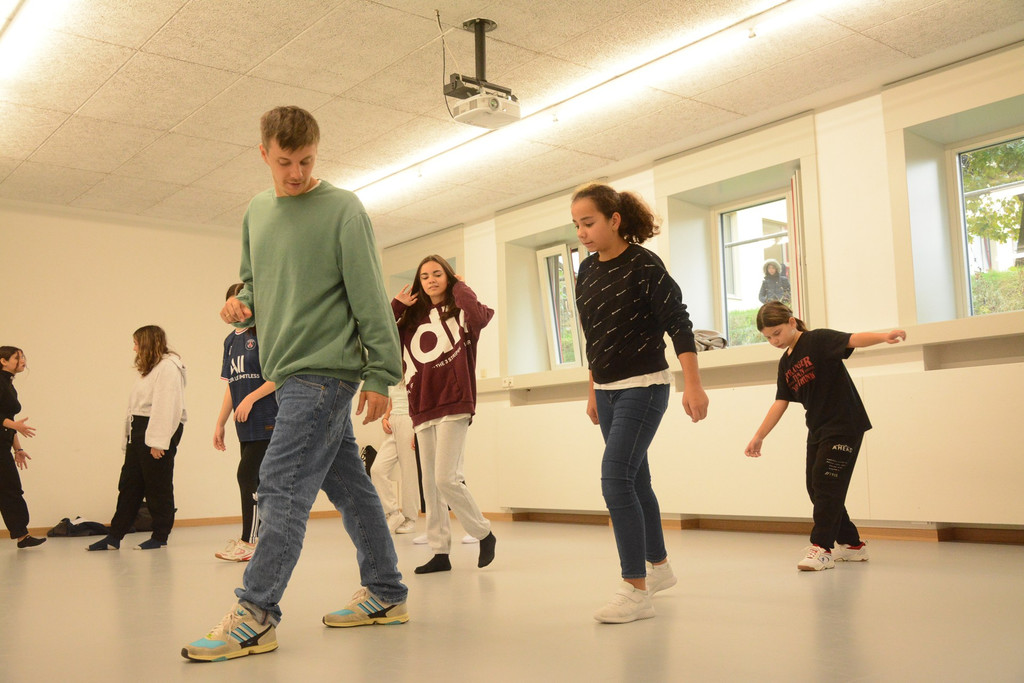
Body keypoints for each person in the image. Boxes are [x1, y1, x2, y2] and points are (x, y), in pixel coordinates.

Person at [183, 106, 407, 663]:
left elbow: (369, 293)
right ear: (263, 153)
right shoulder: (257, 211)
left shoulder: (343, 209)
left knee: (279, 486)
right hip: (284, 373)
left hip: (326, 371)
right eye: (285, 162)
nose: (297, 173)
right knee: (351, 488)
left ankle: (256, 614)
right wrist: (241, 305)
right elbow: (254, 283)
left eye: (306, 161)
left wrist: (382, 371)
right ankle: (386, 591)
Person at [572, 182, 709, 624]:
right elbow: (594, 336)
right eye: (576, 225)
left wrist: (693, 385)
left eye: (588, 223)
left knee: (615, 480)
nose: (582, 233)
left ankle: (635, 590)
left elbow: (679, 324)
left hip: (644, 387)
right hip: (607, 390)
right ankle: (660, 567)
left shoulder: (644, 265)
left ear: (615, 220)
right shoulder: (586, 271)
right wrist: (593, 389)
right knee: (636, 480)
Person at [744, 301, 906, 571]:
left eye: (777, 333)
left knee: (826, 484)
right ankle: (853, 545)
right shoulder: (785, 363)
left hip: (844, 424)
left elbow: (853, 339)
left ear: (792, 322)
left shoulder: (817, 340)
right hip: (818, 428)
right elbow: (781, 401)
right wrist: (759, 435)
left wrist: (884, 336)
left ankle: (821, 548)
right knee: (815, 487)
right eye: (768, 337)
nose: (774, 341)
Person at [393, 255, 496, 574]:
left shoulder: (462, 310)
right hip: (423, 404)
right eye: (424, 276)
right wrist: (396, 306)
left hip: (455, 401)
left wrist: (460, 286)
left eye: (437, 274)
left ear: (448, 277)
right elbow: (382, 338)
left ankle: (483, 532)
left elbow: (479, 318)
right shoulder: (412, 319)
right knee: (430, 484)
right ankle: (440, 551)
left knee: (446, 478)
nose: (431, 280)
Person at [87, 326, 187, 552]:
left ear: (147, 343)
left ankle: (160, 536)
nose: (134, 348)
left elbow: (167, 405)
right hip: (141, 429)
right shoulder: (151, 369)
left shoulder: (169, 367)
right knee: (129, 485)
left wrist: (158, 442)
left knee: (157, 486)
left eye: (136, 343)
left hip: (157, 430)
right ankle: (114, 536)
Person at [213, 283, 278, 562]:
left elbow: (279, 376)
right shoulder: (230, 341)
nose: (236, 311)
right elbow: (232, 384)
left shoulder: (264, 333)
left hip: (267, 418)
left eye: (241, 305)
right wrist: (220, 423)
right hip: (244, 425)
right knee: (255, 482)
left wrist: (251, 398)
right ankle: (258, 540)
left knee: (247, 476)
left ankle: (249, 542)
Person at [0, 346, 45, 548]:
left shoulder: (8, 384)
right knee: (10, 490)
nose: (23, 361)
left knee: (10, 489)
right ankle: (21, 535)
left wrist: (17, 449)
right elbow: (8, 421)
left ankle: (22, 535)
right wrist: (13, 426)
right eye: (17, 358)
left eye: (23, 357)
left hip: (3, 445)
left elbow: (9, 420)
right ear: (3, 361)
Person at [370, 379, 418, 535]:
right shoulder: (393, 375)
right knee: (377, 470)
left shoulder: (413, 372)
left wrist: (417, 430)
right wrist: (385, 418)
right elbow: (392, 402)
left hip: (409, 421)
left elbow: (421, 402)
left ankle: (410, 518)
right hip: (393, 421)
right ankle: (393, 512)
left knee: (408, 473)